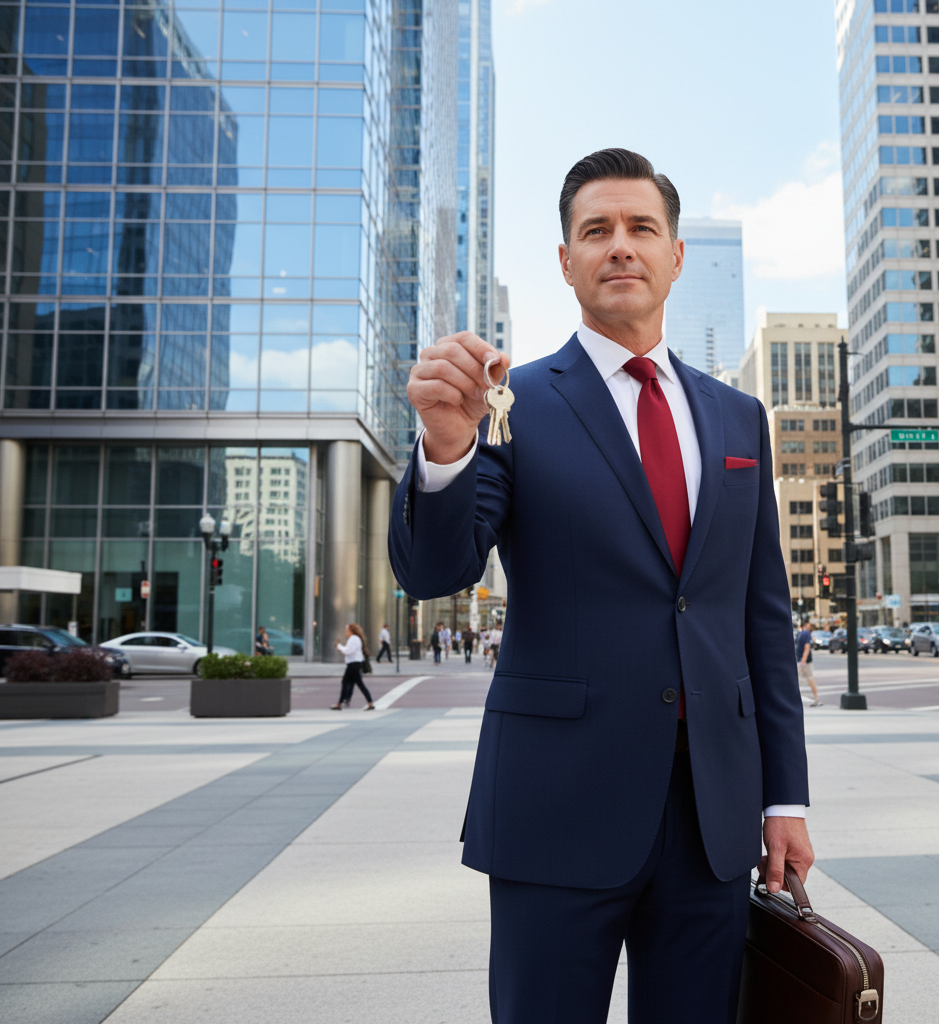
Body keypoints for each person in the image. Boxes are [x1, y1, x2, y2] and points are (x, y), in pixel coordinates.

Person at [389, 148, 812, 1023]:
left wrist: (784, 798)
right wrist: (442, 450)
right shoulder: (511, 402)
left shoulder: (739, 417)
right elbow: (438, 568)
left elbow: (761, 621)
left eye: (640, 228)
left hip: (713, 821)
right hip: (557, 807)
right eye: (597, 231)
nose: (621, 246)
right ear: (567, 261)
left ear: (675, 254)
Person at [331, 624, 374, 710]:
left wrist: (339, 646)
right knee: (353, 683)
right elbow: (348, 651)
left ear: (351, 631)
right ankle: (370, 703)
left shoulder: (353, 639)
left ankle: (340, 704)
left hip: (353, 665)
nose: (346, 632)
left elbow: (348, 651)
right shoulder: (355, 639)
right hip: (354, 664)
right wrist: (340, 647)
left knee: (350, 683)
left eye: (347, 630)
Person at [795, 619, 823, 706]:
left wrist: (803, 659)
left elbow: (807, 646)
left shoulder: (804, 633)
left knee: (805, 678)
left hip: (804, 661)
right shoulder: (804, 633)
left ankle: (815, 699)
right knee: (803, 679)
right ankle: (815, 698)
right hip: (803, 660)